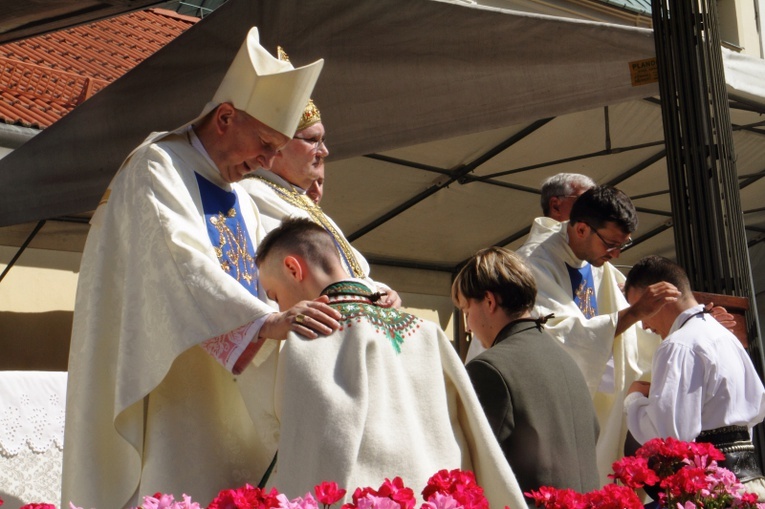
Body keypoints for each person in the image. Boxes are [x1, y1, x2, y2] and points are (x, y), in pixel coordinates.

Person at [61, 28, 340, 509]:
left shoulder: (240, 195)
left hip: (234, 382)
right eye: (264, 144)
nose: (268, 161)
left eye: (276, 150)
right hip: (171, 378)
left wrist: (336, 302)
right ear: (226, 117)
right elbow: (180, 259)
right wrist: (264, 322)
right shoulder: (158, 165)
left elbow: (268, 276)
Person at [255, 218, 528, 509]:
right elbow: (474, 437)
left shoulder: (310, 337)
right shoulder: (426, 331)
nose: (281, 309)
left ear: (293, 269)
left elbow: (311, 455)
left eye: (274, 295)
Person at [519, 185, 674, 484]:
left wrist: (684, 323)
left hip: (598, 397)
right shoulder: (533, 264)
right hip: (552, 411)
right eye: (611, 244)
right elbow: (555, 336)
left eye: (622, 246)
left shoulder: (597, 261)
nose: (615, 254)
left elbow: (634, 322)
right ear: (580, 229)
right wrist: (635, 313)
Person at [453, 247, 600, 506]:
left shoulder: (488, 368)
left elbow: (471, 462)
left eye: (466, 311)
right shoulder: (566, 360)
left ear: (489, 301)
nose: (467, 326)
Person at [623, 255, 765, 499]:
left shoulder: (677, 346)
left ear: (661, 296)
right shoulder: (725, 337)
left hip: (709, 493)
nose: (644, 325)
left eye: (643, 311)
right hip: (750, 486)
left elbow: (669, 437)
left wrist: (634, 398)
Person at [239, 97, 400, 307]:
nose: (324, 151)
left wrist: (380, 291)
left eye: (322, 140)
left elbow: (346, 271)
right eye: (313, 140)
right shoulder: (253, 194)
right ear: (277, 144)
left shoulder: (299, 199)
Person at [466, 173, 595, 362]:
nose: (593, 210)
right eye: (585, 201)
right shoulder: (531, 259)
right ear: (556, 205)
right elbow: (555, 332)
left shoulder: (593, 257)